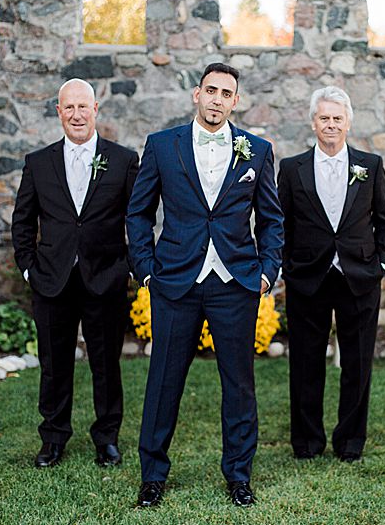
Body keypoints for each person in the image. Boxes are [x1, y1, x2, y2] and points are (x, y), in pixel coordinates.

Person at [125, 62, 283, 508]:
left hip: (235, 282)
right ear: (197, 94)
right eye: (210, 90)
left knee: (239, 384)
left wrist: (267, 271)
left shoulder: (256, 149)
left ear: (236, 101)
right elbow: (138, 213)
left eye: (226, 93)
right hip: (174, 280)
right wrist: (147, 269)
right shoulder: (162, 146)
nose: (217, 99)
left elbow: (271, 219)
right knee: (163, 382)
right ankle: (152, 476)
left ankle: (239, 475)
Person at [10, 78, 138, 469]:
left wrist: (128, 267)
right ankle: (53, 438)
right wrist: (30, 269)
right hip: (52, 280)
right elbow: (22, 222)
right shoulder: (38, 162)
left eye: (83, 107)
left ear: (96, 109)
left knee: (106, 364)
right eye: (69, 108)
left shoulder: (123, 160)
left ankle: (106, 438)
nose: (77, 114)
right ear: (59, 112)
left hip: (105, 279)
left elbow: (139, 217)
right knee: (54, 364)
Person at [277, 85, 385, 463]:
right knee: (305, 363)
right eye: (324, 118)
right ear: (313, 122)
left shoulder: (370, 165)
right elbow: (281, 224)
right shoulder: (291, 168)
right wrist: (286, 267)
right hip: (307, 279)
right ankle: (307, 442)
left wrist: (381, 264)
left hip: (358, 277)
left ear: (348, 123)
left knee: (358, 364)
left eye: (337, 118)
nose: (331, 124)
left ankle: (350, 442)